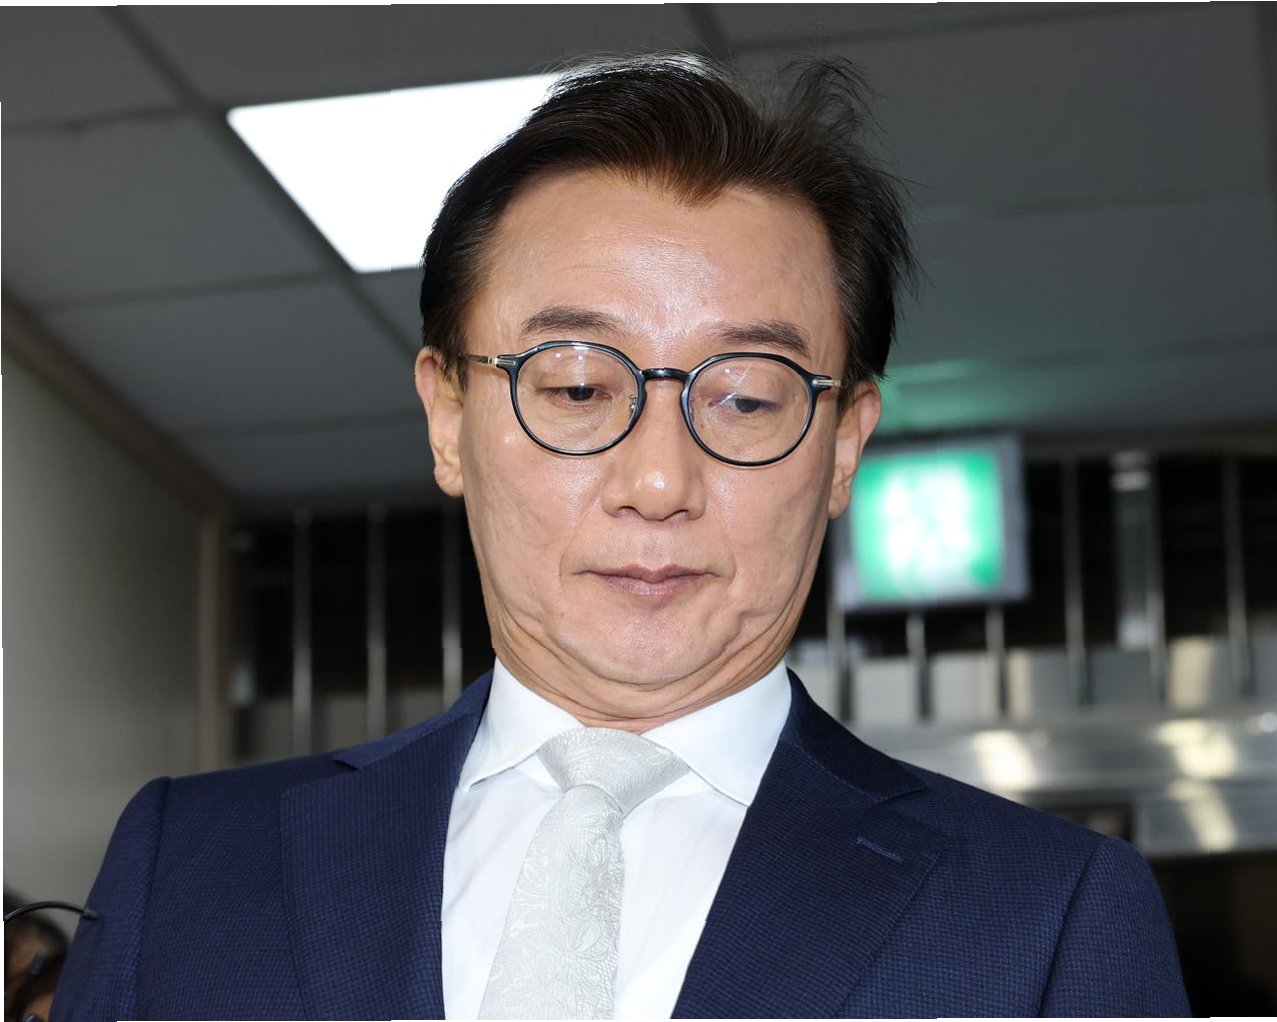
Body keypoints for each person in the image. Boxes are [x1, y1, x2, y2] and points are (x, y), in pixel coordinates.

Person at [53, 54, 1189, 1019]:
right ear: (448, 419)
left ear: (843, 445)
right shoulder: (187, 865)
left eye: (746, 397)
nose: (657, 481)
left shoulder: (1043, 919)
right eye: (578, 387)